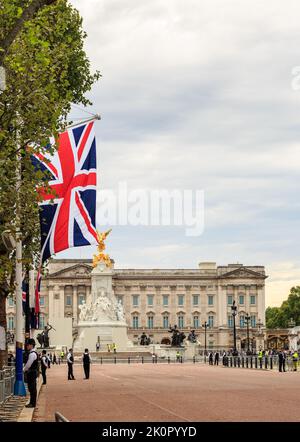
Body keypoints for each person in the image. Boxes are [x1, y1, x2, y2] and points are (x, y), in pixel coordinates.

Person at [23, 338, 39, 408]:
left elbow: (28, 364)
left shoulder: (32, 354)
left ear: (31, 345)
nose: (27, 346)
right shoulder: (33, 353)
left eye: (28, 345)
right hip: (32, 372)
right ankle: (32, 403)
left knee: (32, 388)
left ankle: (32, 403)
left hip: (31, 372)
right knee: (32, 388)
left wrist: (23, 370)